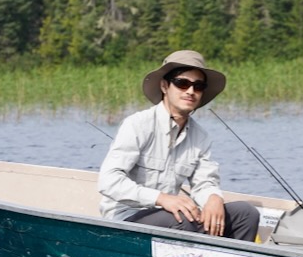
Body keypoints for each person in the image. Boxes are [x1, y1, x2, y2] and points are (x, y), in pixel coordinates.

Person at [98, 49, 260, 241]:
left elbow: (204, 183)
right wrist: (161, 198)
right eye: (182, 83)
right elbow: (108, 181)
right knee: (183, 219)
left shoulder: (200, 136)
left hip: (173, 217)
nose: (190, 91)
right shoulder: (137, 124)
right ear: (164, 86)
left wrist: (214, 198)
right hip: (127, 219)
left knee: (246, 213)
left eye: (198, 86)